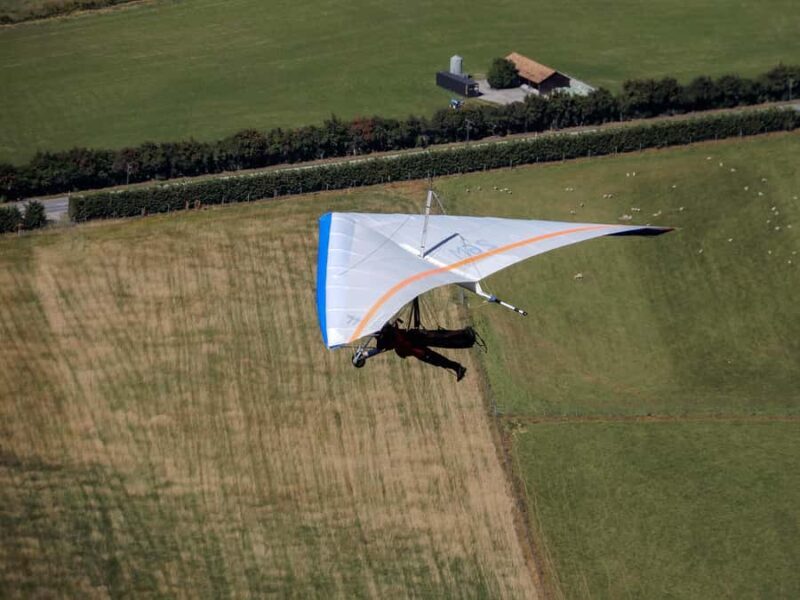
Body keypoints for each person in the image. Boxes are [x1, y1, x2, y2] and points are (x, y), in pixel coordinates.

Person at [376, 321, 471, 381]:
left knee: (440, 337)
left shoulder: (389, 331)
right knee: (438, 360)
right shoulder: (384, 340)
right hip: (415, 350)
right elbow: (381, 346)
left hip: (415, 338)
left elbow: (397, 335)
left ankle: (464, 333)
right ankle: (458, 367)